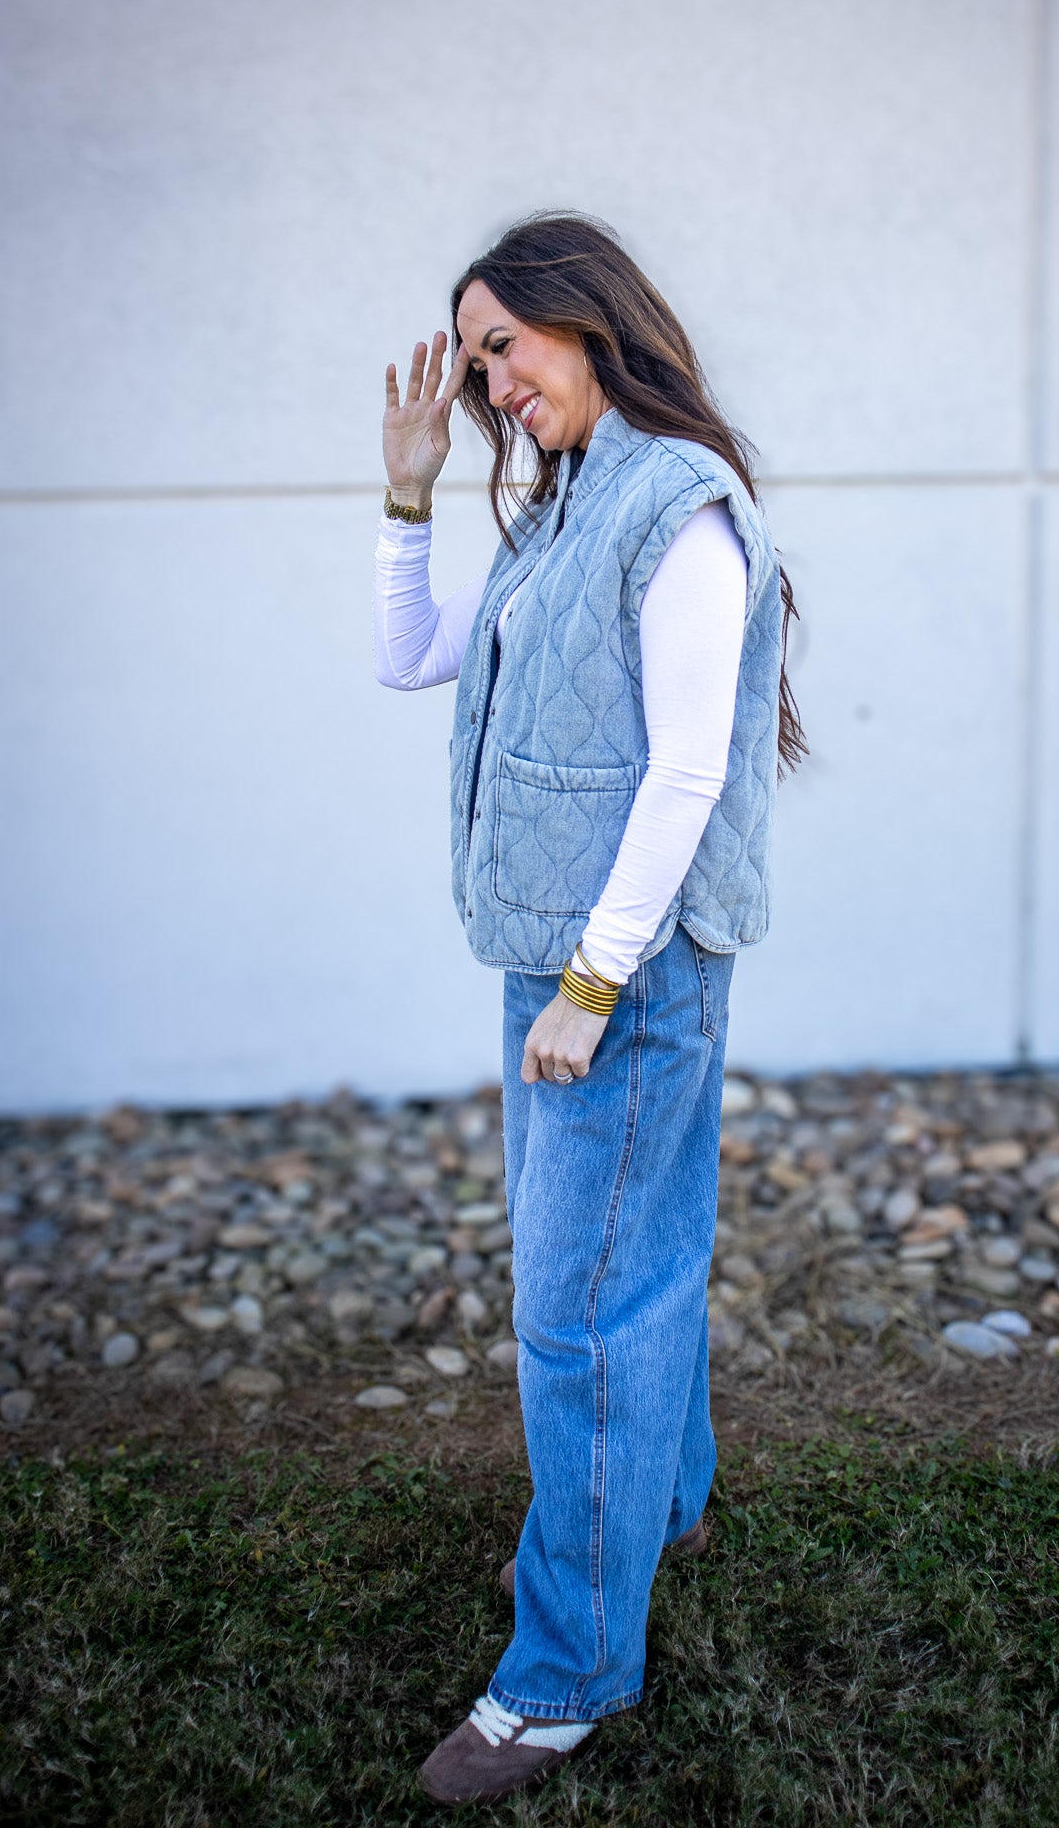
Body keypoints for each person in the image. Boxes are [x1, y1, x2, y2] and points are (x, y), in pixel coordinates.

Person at [373, 213, 804, 1806]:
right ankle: (658, 1503)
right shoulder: (561, 506)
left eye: (503, 344)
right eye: (474, 357)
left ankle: (562, 1674)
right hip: (562, 961)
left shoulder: (676, 509)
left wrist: (593, 984)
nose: (489, 379)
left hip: (615, 974)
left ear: (586, 319)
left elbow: (691, 770)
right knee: (632, 1259)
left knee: (574, 1313)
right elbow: (409, 657)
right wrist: (409, 491)